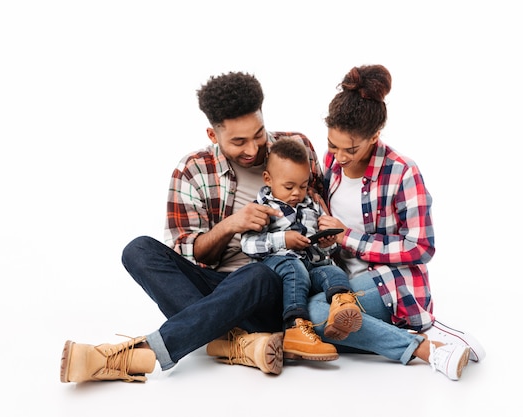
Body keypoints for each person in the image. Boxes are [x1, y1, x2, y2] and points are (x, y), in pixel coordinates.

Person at [59, 71, 325, 383]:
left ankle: (131, 356)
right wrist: (230, 226)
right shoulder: (192, 171)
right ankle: (236, 343)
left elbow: (318, 213)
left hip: (277, 288)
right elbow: (192, 254)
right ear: (214, 136)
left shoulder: (296, 148)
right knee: (138, 250)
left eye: (258, 134)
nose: (253, 149)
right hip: (218, 287)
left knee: (256, 273)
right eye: (238, 141)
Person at [306, 64, 486, 381]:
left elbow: (422, 247)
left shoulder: (403, 172)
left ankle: (425, 348)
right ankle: (417, 333)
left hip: (393, 282)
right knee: (304, 321)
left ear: (375, 137)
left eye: (351, 148)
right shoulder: (332, 161)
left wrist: (345, 237)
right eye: (333, 144)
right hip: (344, 282)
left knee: (317, 315)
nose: (340, 156)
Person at [240, 138, 362, 362]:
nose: (297, 193)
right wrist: (283, 240)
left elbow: (326, 245)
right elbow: (247, 244)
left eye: (303, 185)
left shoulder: (311, 205)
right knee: (295, 268)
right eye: (289, 187)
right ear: (268, 179)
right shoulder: (263, 207)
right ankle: (295, 326)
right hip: (279, 265)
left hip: (312, 264)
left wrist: (328, 243)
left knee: (332, 272)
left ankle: (342, 306)